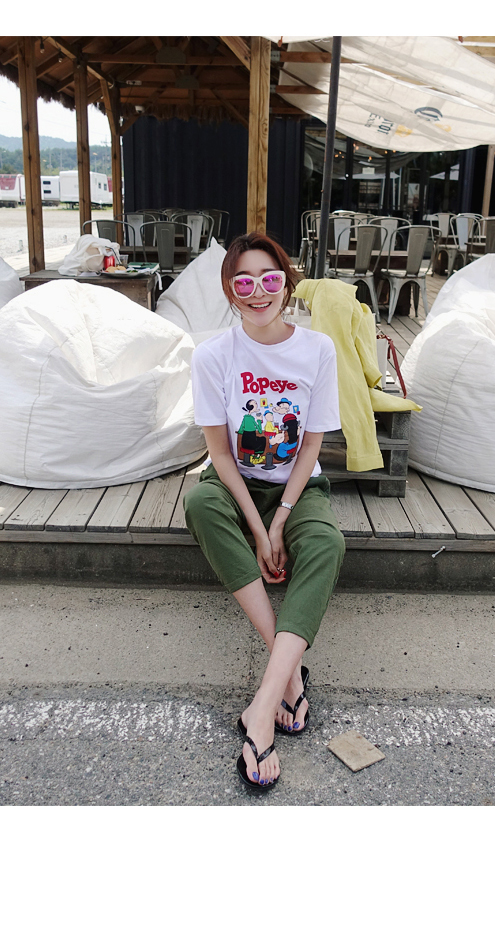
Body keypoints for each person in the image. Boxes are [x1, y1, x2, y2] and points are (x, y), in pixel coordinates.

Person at [183, 231, 345, 791]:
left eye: (270, 279)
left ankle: (262, 707)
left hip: (297, 486)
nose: (258, 292)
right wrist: (257, 527)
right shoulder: (212, 356)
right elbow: (220, 454)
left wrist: (281, 518)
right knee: (200, 501)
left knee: (326, 543)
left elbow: (311, 446)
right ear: (230, 291)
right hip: (238, 484)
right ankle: (290, 673)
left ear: (287, 284)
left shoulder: (317, 350)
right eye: (244, 282)